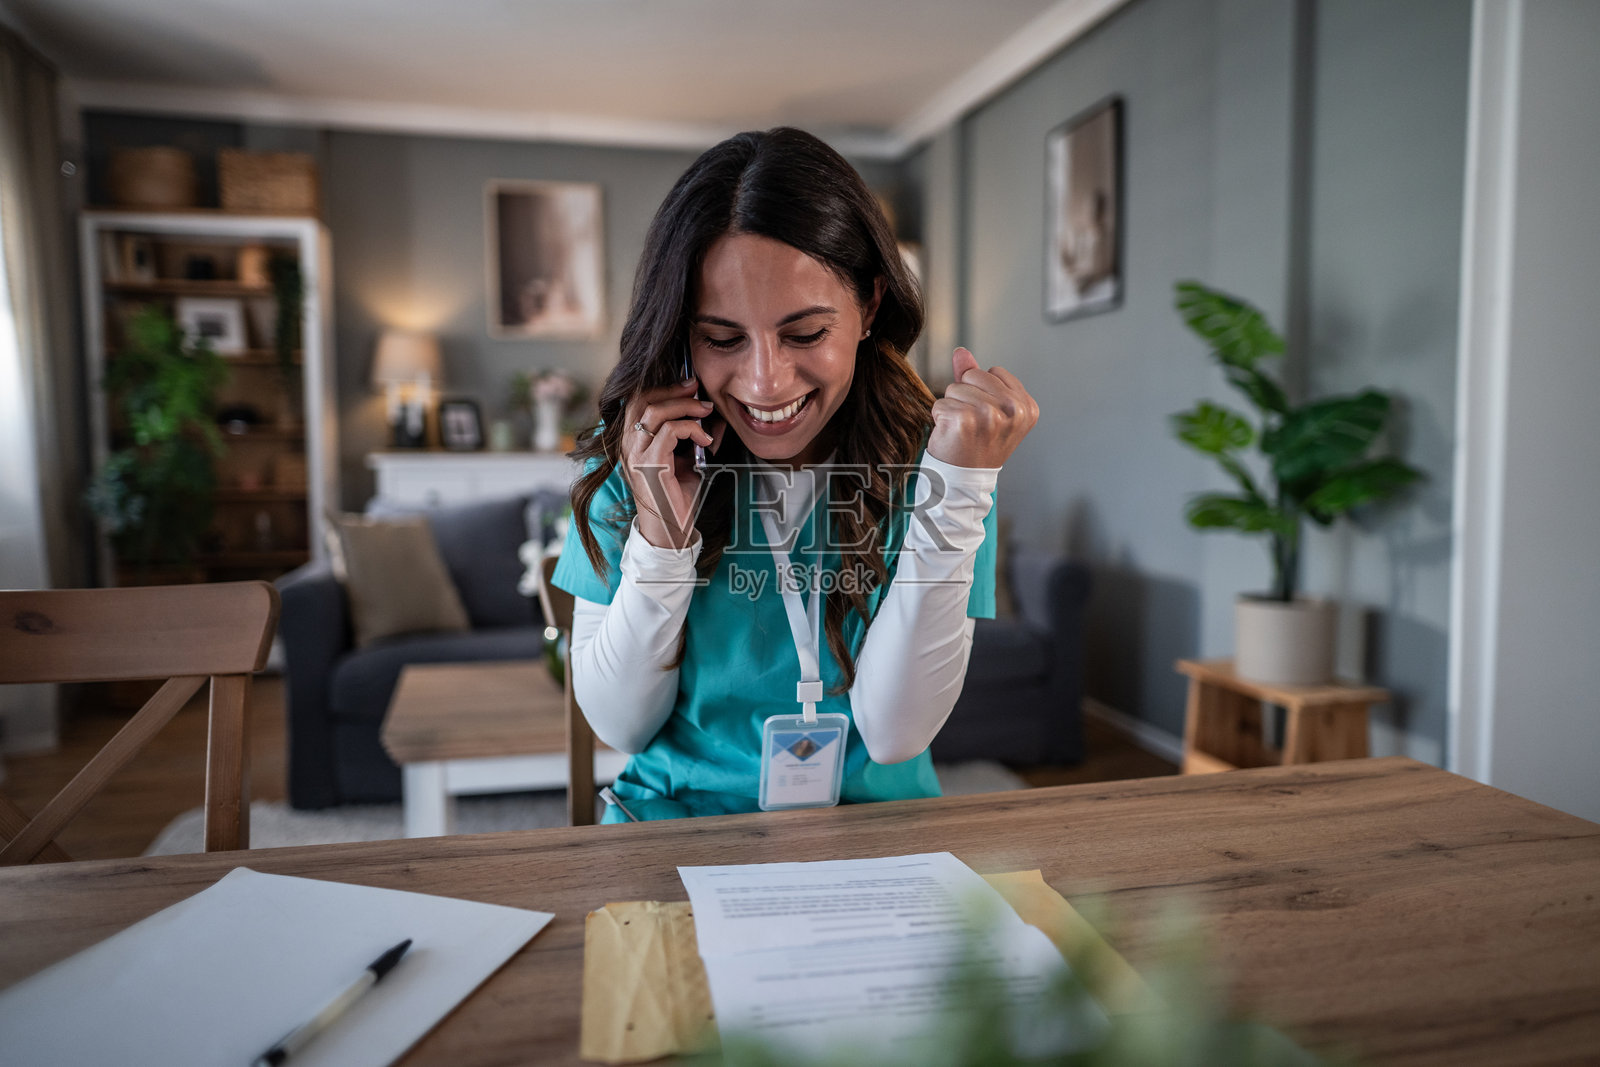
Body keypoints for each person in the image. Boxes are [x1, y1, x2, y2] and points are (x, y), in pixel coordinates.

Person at [551, 127, 1038, 822]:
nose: (763, 381)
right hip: (673, 828)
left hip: (871, 826)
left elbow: (895, 735)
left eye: (805, 333)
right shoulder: (640, 452)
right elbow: (619, 726)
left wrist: (958, 491)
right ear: (680, 329)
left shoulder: (941, 465)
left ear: (870, 306)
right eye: (721, 338)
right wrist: (661, 532)